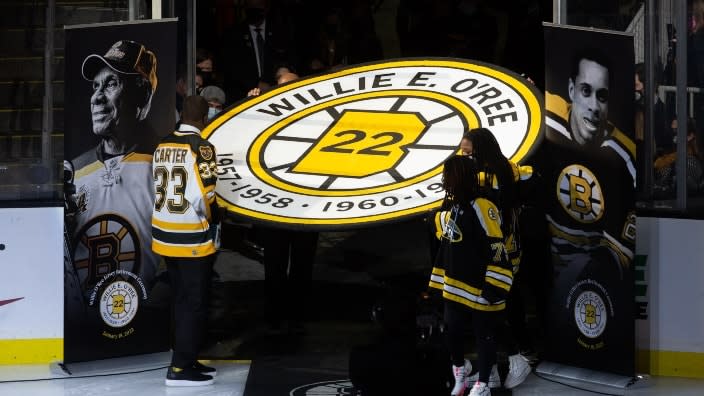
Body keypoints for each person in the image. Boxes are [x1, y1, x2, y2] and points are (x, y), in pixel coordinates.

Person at [540, 47, 636, 369]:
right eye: (586, 91)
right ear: (570, 90)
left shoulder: (623, 156)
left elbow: (619, 253)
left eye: (603, 96)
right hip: (542, 256)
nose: (595, 107)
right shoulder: (543, 117)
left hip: (586, 274)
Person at [70, 39, 161, 296]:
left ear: (141, 94)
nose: (96, 97)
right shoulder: (75, 169)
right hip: (85, 317)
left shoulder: (161, 162)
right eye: (95, 86)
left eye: (111, 84)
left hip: (143, 313)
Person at [429, 155, 513, 396]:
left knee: (483, 336)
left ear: (461, 177)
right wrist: (434, 217)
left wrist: (494, 286)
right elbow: (448, 232)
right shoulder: (454, 205)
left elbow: (497, 246)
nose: (445, 180)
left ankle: (483, 384)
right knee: (452, 332)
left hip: (479, 287)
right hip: (455, 285)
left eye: (448, 175)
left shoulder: (483, 206)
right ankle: (460, 371)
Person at [152, 95, 220, 386]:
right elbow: (206, 195)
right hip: (190, 235)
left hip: (163, 233)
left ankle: (185, 356)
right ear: (205, 119)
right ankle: (180, 367)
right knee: (194, 302)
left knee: (180, 298)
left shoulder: (162, 143)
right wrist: (215, 221)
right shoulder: (202, 148)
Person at [461, 128, 536, 390]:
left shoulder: (480, 178)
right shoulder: (511, 169)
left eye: (467, 152)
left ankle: (514, 359)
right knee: (503, 305)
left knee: (489, 310)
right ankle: (493, 366)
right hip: (510, 248)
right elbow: (530, 177)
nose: (464, 156)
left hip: (493, 251)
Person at [247, 70, 318, 334]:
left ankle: (298, 314)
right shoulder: (263, 114)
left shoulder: (314, 116)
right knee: (274, 263)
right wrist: (250, 104)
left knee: (303, 262)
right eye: (286, 86)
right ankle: (274, 315)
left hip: (306, 206)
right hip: (273, 206)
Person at [654, 117, 704, 197]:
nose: (675, 136)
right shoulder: (682, 155)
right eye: (674, 131)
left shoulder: (688, 159)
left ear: (690, 136)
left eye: (678, 132)